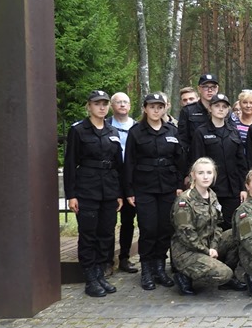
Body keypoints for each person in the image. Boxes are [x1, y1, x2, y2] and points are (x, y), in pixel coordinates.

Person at [64, 90, 124, 298]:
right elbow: (70, 164)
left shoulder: (112, 131)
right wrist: (71, 195)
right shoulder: (78, 130)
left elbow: (118, 164)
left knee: (106, 233)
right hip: (87, 189)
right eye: (97, 103)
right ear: (88, 106)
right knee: (88, 234)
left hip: (109, 189)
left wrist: (119, 193)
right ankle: (90, 277)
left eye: (105, 103)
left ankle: (100, 272)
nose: (102, 107)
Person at [123, 92, 182, 291]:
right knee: (148, 229)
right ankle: (146, 269)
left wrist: (179, 185)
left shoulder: (171, 131)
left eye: (160, 107)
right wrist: (129, 190)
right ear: (145, 109)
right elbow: (129, 162)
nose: (156, 110)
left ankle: (160, 267)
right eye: (152, 107)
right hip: (144, 187)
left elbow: (179, 160)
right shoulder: (136, 132)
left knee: (165, 228)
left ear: (165, 108)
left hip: (167, 186)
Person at [170, 157, 239, 292]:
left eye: (209, 173)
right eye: (201, 173)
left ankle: (223, 272)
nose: (205, 177)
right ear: (193, 175)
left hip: (208, 245)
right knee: (224, 274)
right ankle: (184, 275)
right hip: (188, 252)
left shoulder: (212, 196)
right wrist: (207, 251)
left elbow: (218, 224)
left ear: (214, 175)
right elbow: (185, 233)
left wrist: (213, 246)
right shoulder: (184, 201)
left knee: (237, 234)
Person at [190, 92, 249, 238]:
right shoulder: (201, 132)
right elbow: (197, 163)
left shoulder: (233, 131)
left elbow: (241, 162)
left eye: (224, 106)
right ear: (210, 108)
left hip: (232, 189)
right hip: (210, 189)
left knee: (232, 227)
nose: (221, 109)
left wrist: (243, 188)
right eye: (217, 106)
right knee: (209, 227)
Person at [108, 92, 138, 274]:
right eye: (118, 102)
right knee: (108, 221)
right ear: (112, 106)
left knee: (128, 221)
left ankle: (124, 258)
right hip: (111, 177)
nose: (122, 105)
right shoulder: (105, 125)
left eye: (125, 102)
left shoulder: (137, 126)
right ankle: (107, 260)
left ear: (130, 105)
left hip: (132, 179)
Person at [178, 73, 220, 154]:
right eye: (205, 87)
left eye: (213, 87)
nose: (210, 90)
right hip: (196, 155)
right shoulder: (188, 111)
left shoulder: (224, 110)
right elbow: (183, 139)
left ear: (217, 89)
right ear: (199, 89)